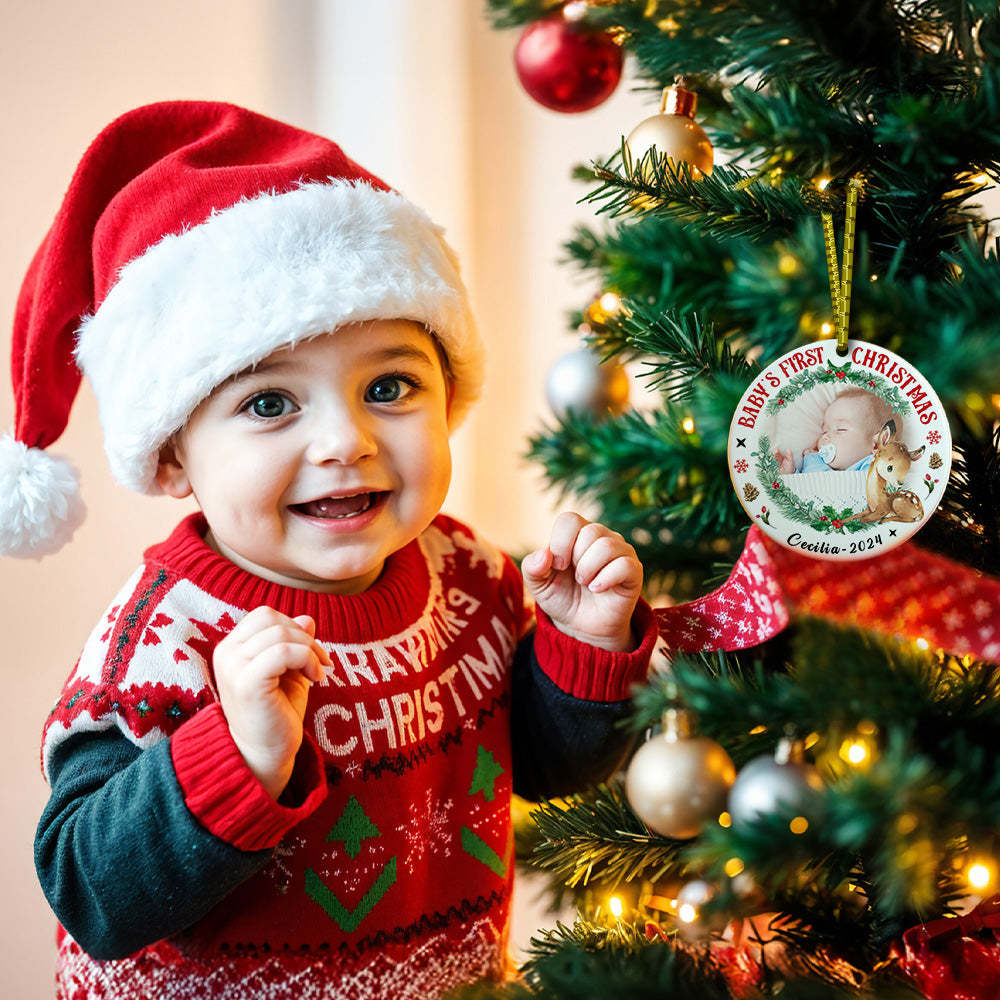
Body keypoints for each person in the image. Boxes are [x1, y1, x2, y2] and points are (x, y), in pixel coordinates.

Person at [3, 103, 658, 999]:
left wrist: (581, 652)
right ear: (170, 459)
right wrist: (235, 756)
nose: (345, 441)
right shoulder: (160, 640)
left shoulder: (470, 576)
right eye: (270, 404)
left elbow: (545, 767)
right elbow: (90, 893)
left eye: (389, 387)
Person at [773, 388, 895, 475]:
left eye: (840, 429)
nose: (826, 438)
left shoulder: (876, 470)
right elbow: (809, 490)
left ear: (877, 443)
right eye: (824, 432)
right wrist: (791, 475)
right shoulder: (817, 464)